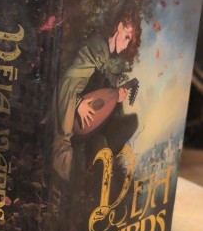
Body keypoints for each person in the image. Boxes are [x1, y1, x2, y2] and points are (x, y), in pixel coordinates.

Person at [53, 13, 141, 183]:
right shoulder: (93, 49)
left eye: (129, 42)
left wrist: (117, 101)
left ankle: (92, 178)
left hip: (95, 125)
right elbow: (68, 81)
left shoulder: (114, 64)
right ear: (120, 26)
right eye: (126, 37)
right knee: (73, 157)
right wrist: (77, 104)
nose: (125, 46)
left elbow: (105, 102)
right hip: (76, 122)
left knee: (130, 123)